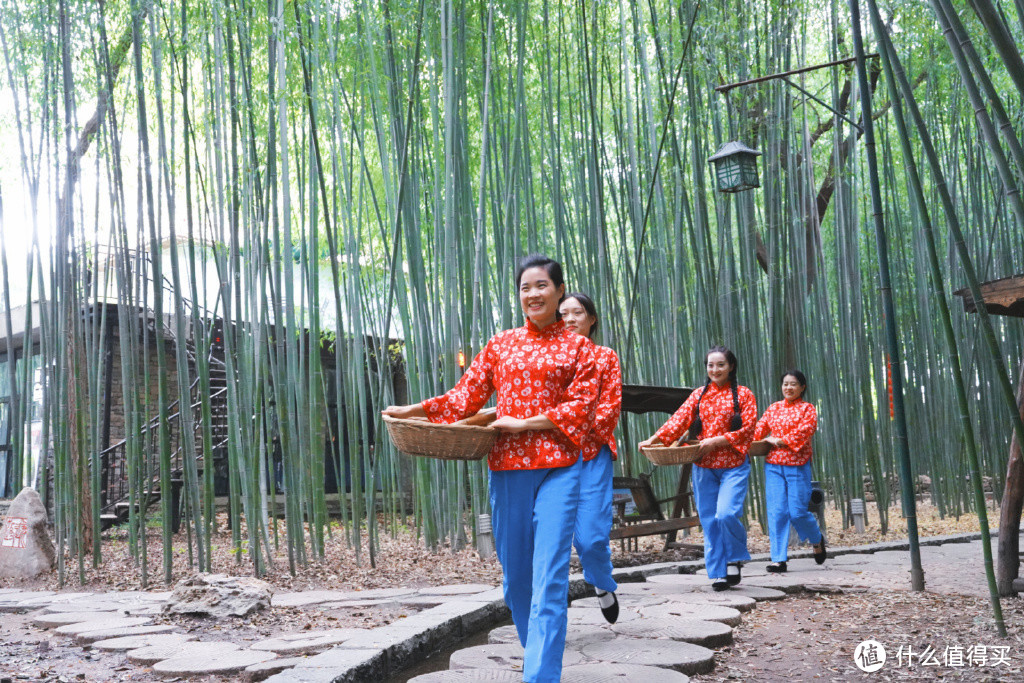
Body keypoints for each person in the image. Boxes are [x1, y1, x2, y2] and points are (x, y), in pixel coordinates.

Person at [382, 254, 597, 683]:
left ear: (558, 292)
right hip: (509, 470)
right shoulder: (501, 344)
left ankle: (540, 675)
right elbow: (465, 398)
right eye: (524, 287)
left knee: (551, 576)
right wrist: (417, 409)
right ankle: (533, 643)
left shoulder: (580, 349)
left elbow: (581, 409)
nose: (532, 294)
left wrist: (524, 422)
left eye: (541, 286)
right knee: (517, 579)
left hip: (560, 468)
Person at [638, 346, 757, 591]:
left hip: (733, 465)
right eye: (710, 365)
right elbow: (678, 420)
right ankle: (718, 572)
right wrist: (653, 440)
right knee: (710, 521)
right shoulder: (699, 395)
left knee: (726, 514)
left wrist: (716, 441)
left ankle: (734, 557)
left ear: (731, 367)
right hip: (704, 466)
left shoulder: (744, 395)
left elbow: (748, 430)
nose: (715, 370)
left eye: (720, 365)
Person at [559, 292, 620, 623]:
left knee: (591, 537)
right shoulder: (548, 358)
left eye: (577, 312)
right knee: (548, 539)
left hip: (591, 453)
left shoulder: (605, 357)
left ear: (592, 318)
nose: (569, 319)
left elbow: (609, 408)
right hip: (549, 457)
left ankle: (600, 581)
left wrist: (573, 434)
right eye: (563, 313)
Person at [753, 369, 826, 572]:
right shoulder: (774, 408)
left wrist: (781, 441)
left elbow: (804, 432)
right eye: (785, 383)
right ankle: (778, 559)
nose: (788, 387)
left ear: (802, 387)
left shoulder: (808, 409)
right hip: (774, 465)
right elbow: (759, 429)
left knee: (797, 512)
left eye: (793, 384)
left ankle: (816, 539)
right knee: (777, 512)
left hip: (797, 465)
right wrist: (743, 440)